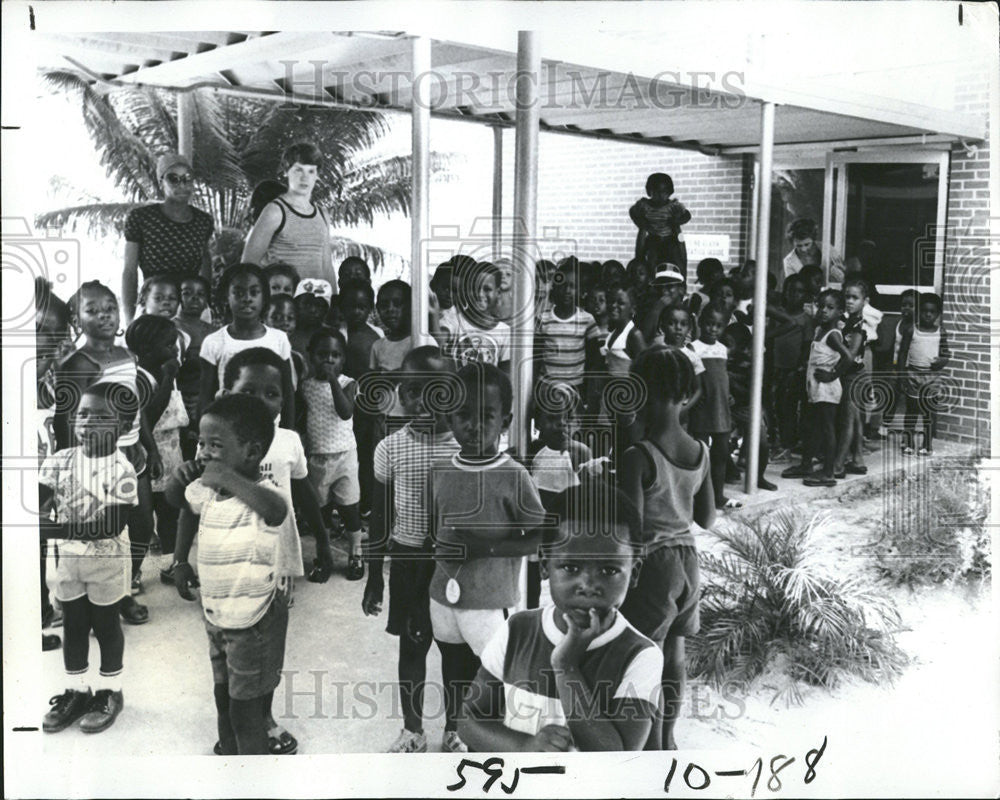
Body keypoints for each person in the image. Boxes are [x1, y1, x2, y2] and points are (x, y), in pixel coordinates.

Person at [461, 479, 663, 752]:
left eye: (609, 570)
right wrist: (523, 746)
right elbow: (468, 720)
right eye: (570, 566)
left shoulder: (640, 655)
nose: (589, 585)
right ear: (545, 566)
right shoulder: (517, 630)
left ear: (634, 572)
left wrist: (566, 667)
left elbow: (618, 759)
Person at [428, 364, 547, 756]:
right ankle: (454, 728)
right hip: (443, 598)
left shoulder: (512, 475)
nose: (474, 426)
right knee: (451, 664)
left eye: (486, 416)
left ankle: (497, 736)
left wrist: (486, 548)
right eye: (463, 416)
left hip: (487, 599)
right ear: (450, 417)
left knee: (496, 671)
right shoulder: (442, 469)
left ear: (506, 421)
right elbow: (437, 532)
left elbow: (542, 535)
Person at [165, 394, 290, 755]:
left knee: (246, 711)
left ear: (251, 453)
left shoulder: (262, 492)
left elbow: (277, 510)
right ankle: (231, 755)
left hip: (255, 623)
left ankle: (252, 778)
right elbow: (178, 503)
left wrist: (228, 478)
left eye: (215, 446)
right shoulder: (207, 492)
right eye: (201, 443)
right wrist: (180, 477)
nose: (203, 452)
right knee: (224, 698)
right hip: (219, 617)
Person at [362, 346, 464, 753]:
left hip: (456, 568)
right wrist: (374, 578)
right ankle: (413, 730)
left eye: (436, 390)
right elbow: (380, 519)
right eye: (412, 391)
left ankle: (456, 729)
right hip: (410, 562)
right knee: (413, 645)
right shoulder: (390, 448)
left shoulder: (468, 445)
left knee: (457, 654)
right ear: (401, 394)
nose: (422, 401)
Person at [619, 346, 715, 749]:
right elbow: (706, 518)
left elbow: (632, 528)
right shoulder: (700, 451)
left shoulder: (637, 455)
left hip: (654, 568)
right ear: (686, 395)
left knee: (646, 659)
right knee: (674, 658)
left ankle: (651, 744)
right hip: (689, 563)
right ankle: (669, 737)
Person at [39, 382, 139, 734]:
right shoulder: (60, 460)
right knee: (73, 625)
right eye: (82, 414)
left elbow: (107, 526)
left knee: (106, 625)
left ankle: (111, 690)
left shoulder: (123, 471)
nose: (86, 424)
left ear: (124, 427)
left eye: (100, 417)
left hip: (106, 561)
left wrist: (46, 531)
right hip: (68, 561)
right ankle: (77, 691)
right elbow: (37, 499)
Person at [55, 281, 155, 625]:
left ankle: (128, 581)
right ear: (76, 318)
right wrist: (74, 467)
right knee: (105, 533)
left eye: (110, 308)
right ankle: (114, 599)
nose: (104, 316)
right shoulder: (77, 363)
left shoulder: (128, 355)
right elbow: (67, 419)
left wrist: (143, 443)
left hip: (129, 454)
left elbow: (133, 407)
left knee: (141, 524)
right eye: (92, 310)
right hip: (95, 461)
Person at [523, 380, 596, 609]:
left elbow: (590, 495)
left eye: (568, 418)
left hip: (567, 533)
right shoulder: (533, 451)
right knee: (532, 582)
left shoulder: (579, 453)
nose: (562, 424)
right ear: (539, 422)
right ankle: (533, 615)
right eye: (553, 419)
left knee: (565, 583)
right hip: (538, 532)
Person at [125, 316, 188, 577]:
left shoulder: (162, 371)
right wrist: (168, 376)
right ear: (147, 350)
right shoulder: (141, 378)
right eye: (168, 344)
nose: (175, 350)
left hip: (171, 452)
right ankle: (133, 571)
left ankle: (170, 563)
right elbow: (148, 414)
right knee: (143, 517)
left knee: (170, 510)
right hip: (149, 455)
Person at [300, 329, 365, 580]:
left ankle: (355, 554)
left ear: (343, 359)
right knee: (321, 512)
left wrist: (333, 381)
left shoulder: (349, 383)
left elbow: (345, 412)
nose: (328, 360)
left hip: (344, 457)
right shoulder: (305, 386)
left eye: (335, 355)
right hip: (317, 457)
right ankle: (323, 557)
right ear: (311, 357)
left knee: (350, 509)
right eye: (322, 354)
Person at [122, 153, 214, 325]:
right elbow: (129, 271)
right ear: (161, 182)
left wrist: (204, 302)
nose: (182, 185)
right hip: (155, 304)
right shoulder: (141, 218)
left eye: (188, 178)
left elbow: (205, 262)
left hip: (191, 307)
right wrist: (129, 318)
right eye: (174, 179)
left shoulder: (203, 221)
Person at [198, 263, 295, 426]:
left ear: (264, 297)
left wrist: (289, 431)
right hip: (229, 427)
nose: (247, 298)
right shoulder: (214, 342)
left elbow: (288, 391)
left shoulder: (279, 339)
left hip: (272, 428)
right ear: (226, 297)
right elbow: (206, 395)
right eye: (238, 292)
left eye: (254, 292)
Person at [241, 142, 335, 294]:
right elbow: (248, 265)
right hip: (283, 308)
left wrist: (334, 303)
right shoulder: (275, 211)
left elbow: (327, 266)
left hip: (316, 307)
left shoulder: (323, 214)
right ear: (286, 171)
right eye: (298, 170)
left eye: (311, 171)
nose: (304, 177)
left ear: (317, 175)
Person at [797, 290, 854, 487]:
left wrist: (832, 375)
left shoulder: (833, 335)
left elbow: (848, 357)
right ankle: (806, 464)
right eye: (821, 306)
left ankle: (828, 472)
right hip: (816, 387)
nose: (823, 311)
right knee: (811, 426)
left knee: (827, 428)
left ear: (840, 312)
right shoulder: (819, 330)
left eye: (830, 308)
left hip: (827, 388)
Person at [687, 302, 740, 510]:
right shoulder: (694, 348)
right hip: (702, 408)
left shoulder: (722, 350)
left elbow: (722, 377)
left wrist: (728, 395)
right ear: (700, 323)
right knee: (700, 453)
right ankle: (699, 497)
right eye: (709, 324)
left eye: (718, 326)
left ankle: (717, 495)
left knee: (720, 454)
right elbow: (692, 376)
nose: (713, 329)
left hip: (720, 408)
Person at [535, 261, 602, 403]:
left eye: (573, 286)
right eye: (563, 285)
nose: (567, 291)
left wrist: (589, 393)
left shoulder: (586, 320)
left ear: (580, 290)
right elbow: (536, 358)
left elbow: (593, 359)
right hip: (547, 387)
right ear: (554, 287)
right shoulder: (543, 318)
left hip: (575, 387)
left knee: (571, 423)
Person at [765, 274, 813, 462]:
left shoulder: (806, 319)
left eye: (799, 291)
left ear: (806, 295)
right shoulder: (779, 314)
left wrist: (799, 368)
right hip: (776, 368)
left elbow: (807, 345)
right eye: (790, 290)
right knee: (775, 406)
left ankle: (788, 445)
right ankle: (776, 443)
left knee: (789, 408)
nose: (794, 295)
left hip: (793, 371)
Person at [724, 323, 778, 491]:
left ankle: (759, 476)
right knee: (720, 440)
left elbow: (753, 391)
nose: (725, 347)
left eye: (729, 344)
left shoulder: (751, 363)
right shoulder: (724, 359)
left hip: (748, 407)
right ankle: (730, 469)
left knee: (762, 443)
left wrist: (731, 381)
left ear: (741, 345)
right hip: (730, 408)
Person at [898, 292, 950, 456]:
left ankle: (927, 444)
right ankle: (908, 441)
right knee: (912, 410)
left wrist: (942, 361)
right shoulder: (911, 330)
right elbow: (902, 353)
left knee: (929, 412)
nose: (928, 314)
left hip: (932, 377)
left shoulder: (940, 332)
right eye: (924, 311)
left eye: (932, 312)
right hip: (913, 374)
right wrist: (902, 376)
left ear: (937, 314)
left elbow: (946, 353)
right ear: (918, 311)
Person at [439, 260, 511, 375]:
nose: (480, 294)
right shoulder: (454, 321)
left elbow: (506, 376)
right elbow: (438, 341)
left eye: (487, 289)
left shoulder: (505, 332)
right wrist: (433, 314)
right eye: (475, 288)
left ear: (497, 293)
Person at [174, 276, 218, 458]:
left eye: (201, 294)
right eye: (187, 293)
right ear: (178, 297)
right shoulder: (171, 327)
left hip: (206, 395)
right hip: (180, 395)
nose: (194, 298)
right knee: (184, 442)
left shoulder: (214, 331)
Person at [832, 278, 870, 478]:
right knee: (854, 419)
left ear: (865, 301)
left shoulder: (858, 326)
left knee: (847, 420)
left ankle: (838, 465)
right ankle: (858, 459)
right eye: (847, 297)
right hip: (852, 375)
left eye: (855, 298)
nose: (849, 301)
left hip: (854, 376)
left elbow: (851, 355)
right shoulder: (848, 321)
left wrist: (833, 374)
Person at [629, 173, 691, 278]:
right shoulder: (644, 205)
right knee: (652, 256)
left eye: (664, 192)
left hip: (670, 237)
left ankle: (682, 277)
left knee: (677, 256)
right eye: (657, 192)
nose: (661, 195)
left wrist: (677, 221)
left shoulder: (673, 205)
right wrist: (640, 222)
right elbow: (632, 211)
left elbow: (687, 215)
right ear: (649, 192)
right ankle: (653, 277)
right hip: (653, 237)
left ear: (670, 192)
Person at [782, 218, 844, 285]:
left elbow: (843, 272)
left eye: (807, 244)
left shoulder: (827, 248)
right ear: (792, 243)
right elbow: (793, 286)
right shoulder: (789, 261)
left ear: (813, 239)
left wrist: (839, 273)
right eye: (799, 246)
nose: (803, 249)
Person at [265, 293, 307, 381]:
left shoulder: (296, 359)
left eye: (290, 318)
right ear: (263, 319)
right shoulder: (254, 354)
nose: (285, 323)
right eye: (276, 318)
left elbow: (298, 391)